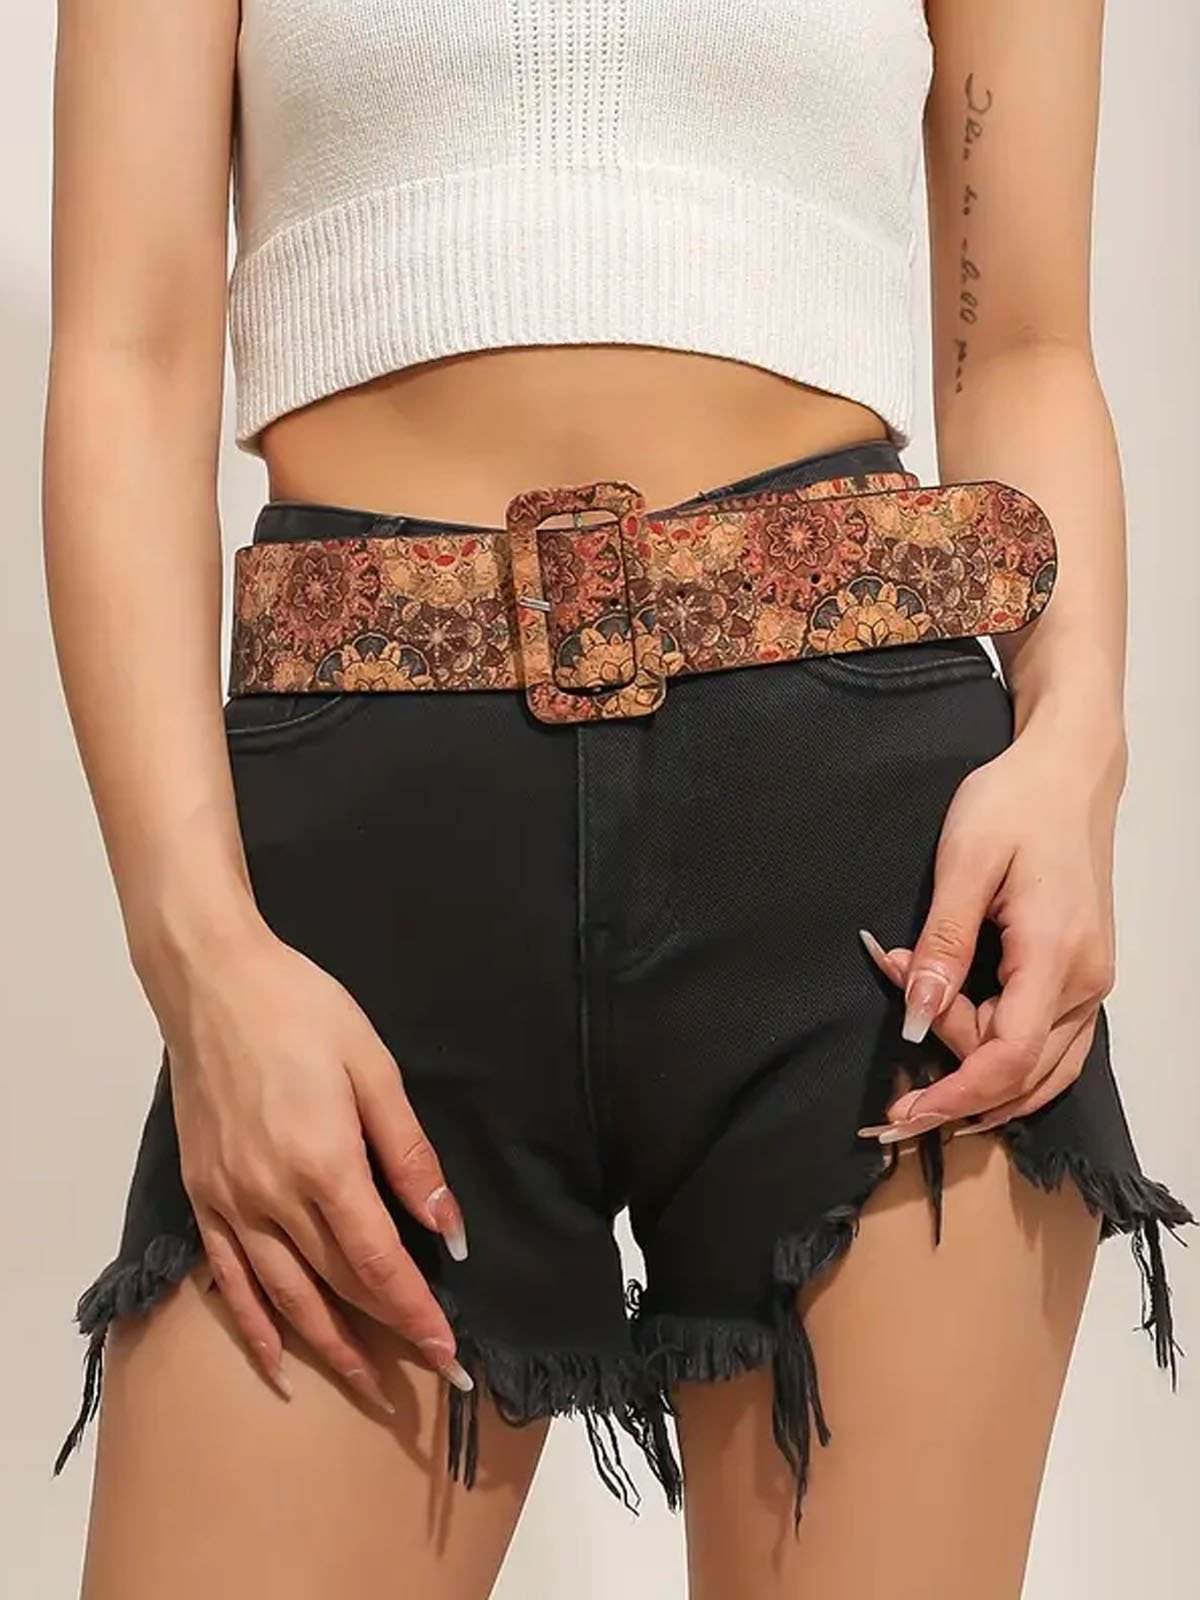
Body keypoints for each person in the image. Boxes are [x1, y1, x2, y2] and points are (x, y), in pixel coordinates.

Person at [44, 2, 1191, 1596]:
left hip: (873, 865)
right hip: (368, 868)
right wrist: (202, 962)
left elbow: (1027, 347)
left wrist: (1076, 753)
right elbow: (127, 352)